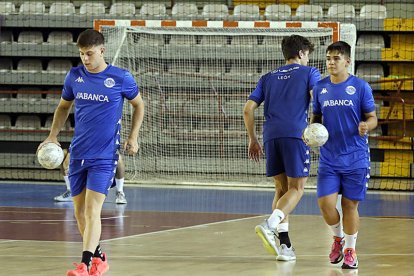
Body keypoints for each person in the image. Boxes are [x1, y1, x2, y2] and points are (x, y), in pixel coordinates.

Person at [38, 29, 144, 276]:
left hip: (105, 157)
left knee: (92, 210)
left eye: (89, 54)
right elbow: (63, 107)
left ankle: (85, 264)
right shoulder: (75, 76)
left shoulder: (120, 78)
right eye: (81, 54)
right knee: (79, 212)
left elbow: (139, 104)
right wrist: (53, 135)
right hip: (77, 154)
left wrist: (133, 137)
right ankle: (99, 257)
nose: (85, 59)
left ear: (102, 51)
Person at [243, 35, 321, 261]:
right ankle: (270, 224)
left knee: (281, 189)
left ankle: (285, 247)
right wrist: (317, 127)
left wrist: (253, 139)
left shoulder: (267, 77)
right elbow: (316, 99)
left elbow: (248, 109)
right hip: (296, 134)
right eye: (307, 55)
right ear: (302, 53)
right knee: (297, 189)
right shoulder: (310, 73)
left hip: (270, 136)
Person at [310, 41, 377, 270]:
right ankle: (337, 239)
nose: (331, 62)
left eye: (336, 58)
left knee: (350, 205)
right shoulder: (320, 88)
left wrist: (366, 126)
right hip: (329, 158)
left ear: (347, 61)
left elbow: (372, 117)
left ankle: (350, 250)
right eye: (328, 58)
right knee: (325, 204)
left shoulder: (360, 87)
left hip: (356, 158)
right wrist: (311, 134)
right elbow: (316, 119)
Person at [54, 150, 128, 204]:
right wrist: (67, 166)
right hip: (84, 172)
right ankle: (70, 190)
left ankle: (120, 192)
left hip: (102, 172)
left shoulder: (106, 137)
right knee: (62, 154)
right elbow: (70, 155)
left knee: (118, 157)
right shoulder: (82, 136)